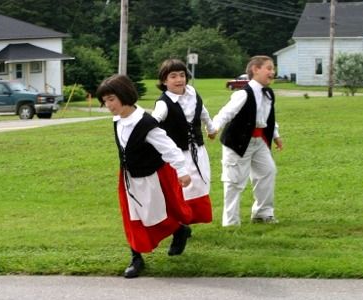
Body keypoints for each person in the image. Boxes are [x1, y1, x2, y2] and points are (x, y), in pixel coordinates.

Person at [96, 74, 193, 279]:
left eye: (111, 99)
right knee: (131, 217)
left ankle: (178, 230)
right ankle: (136, 258)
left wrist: (182, 172)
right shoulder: (117, 120)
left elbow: (169, 148)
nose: (108, 105)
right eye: (105, 101)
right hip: (128, 177)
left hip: (149, 177)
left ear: (124, 95)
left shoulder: (146, 124)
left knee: (153, 215)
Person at [212, 55, 283, 226]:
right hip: (237, 142)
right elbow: (226, 112)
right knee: (234, 180)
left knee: (268, 171)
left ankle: (262, 213)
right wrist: (214, 127)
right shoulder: (243, 94)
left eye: (273, 69)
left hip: (259, 142)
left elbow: (268, 117)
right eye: (269, 68)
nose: (272, 72)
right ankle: (230, 221)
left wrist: (275, 136)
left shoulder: (269, 93)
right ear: (255, 69)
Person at [152, 58, 216, 231]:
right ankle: (180, 223)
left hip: (198, 149)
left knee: (200, 183)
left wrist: (211, 129)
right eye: (173, 76)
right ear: (164, 81)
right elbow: (153, 122)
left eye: (181, 75)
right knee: (182, 188)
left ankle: (191, 219)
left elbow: (203, 113)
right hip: (177, 154)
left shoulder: (193, 94)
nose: (179, 79)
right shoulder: (163, 103)